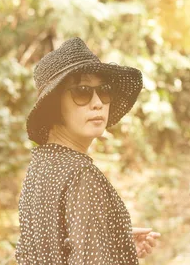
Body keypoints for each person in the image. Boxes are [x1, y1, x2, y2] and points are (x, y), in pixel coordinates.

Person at [15, 37, 161, 264]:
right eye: (82, 92)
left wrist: (115, 243)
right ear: (54, 104)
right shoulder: (81, 175)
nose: (98, 103)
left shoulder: (39, 168)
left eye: (104, 91)